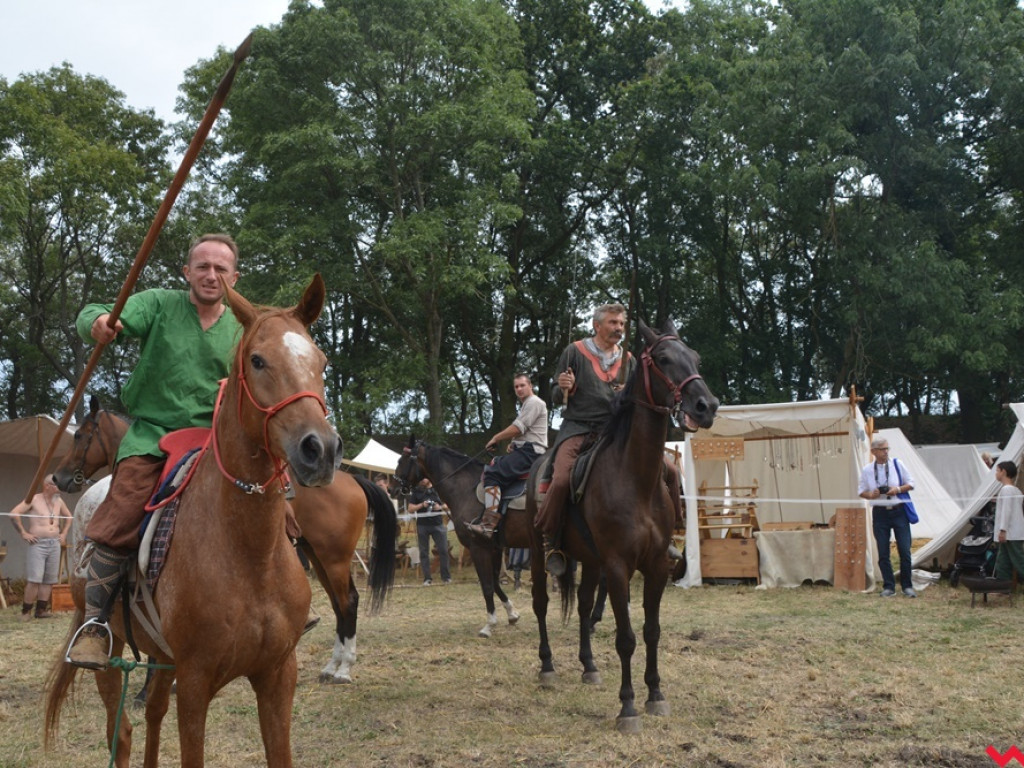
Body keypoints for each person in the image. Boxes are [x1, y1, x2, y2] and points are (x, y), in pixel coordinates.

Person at [67, 233, 243, 669]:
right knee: (124, 509)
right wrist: (101, 322)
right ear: (187, 272)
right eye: (202, 266)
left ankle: (283, 603)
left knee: (274, 503)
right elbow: (93, 312)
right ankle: (95, 624)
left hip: (216, 441)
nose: (210, 274)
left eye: (220, 268)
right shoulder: (159, 304)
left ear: (234, 278)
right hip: (153, 436)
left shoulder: (244, 324)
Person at [533, 304, 637, 576]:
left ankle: (662, 538)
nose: (619, 328)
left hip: (616, 433)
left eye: (622, 324)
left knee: (666, 472)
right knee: (561, 480)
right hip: (578, 429)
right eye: (613, 323)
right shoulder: (574, 352)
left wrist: (628, 393)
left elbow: (638, 402)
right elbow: (555, 395)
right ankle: (552, 542)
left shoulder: (630, 360)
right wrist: (563, 387)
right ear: (597, 326)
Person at [467, 373, 548, 537]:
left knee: (492, 472)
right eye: (516, 387)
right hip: (527, 449)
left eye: (522, 385)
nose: (519, 389)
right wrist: (514, 443)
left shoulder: (534, 402)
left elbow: (519, 428)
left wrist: (496, 437)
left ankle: (488, 525)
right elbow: (525, 432)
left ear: (530, 386)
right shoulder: (527, 405)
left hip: (530, 453)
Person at [859, 436, 917, 598]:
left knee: (904, 550)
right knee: (883, 552)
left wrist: (897, 489)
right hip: (880, 513)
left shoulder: (897, 464)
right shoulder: (867, 470)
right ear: (874, 452)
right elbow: (861, 491)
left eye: (887, 449)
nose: (885, 452)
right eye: (882, 449)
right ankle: (889, 586)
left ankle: (907, 586)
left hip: (899, 511)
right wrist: (872, 494)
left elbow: (911, 483)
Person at [9, 475, 72, 621]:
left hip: (54, 543)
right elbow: (14, 514)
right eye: (56, 485)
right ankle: (26, 612)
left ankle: (41, 610)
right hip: (38, 543)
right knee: (35, 579)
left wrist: (64, 533)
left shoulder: (59, 501)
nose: (59, 488)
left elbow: (68, 517)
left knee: (49, 579)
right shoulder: (34, 499)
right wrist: (23, 533)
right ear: (47, 486)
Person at [408, 477, 451, 585]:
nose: (422, 480)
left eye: (424, 478)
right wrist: (422, 505)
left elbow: (448, 505)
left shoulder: (438, 489)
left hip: (438, 525)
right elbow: (410, 509)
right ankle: (427, 578)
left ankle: (446, 577)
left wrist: (439, 507)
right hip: (422, 526)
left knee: (443, 550)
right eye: (420, 478)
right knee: (424, 552)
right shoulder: (416, 492)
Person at [993, 460, 1024, 581]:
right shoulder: (1016, 490)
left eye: (997, 471)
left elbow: (1007, 511)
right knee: (1003, 560)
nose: (996, 473)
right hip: (1011, 532)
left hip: (1011, 533)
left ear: (1003, 472)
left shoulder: (1007, 490)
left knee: (1018, 561)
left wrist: (1002, 530)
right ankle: (1003, 585)